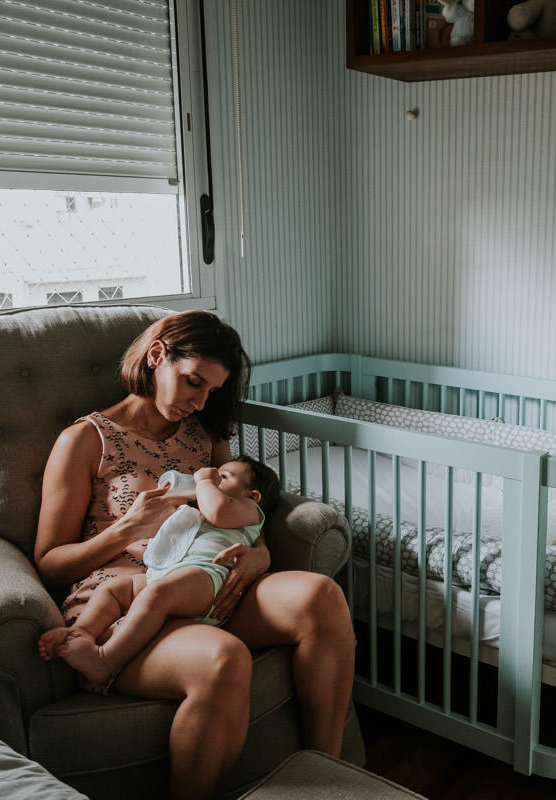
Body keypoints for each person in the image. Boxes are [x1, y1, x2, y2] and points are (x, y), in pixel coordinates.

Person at [33, 310, 355, 800]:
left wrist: (260, 556)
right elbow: (49, 560)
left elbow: (242, 510)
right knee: (223, 659)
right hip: (123, 601)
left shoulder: (205, 436)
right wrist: (124, 530)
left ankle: (328, 779)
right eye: (193, 382)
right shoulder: (84, 441)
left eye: (212, 391)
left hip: (210, 583)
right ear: (158, 356)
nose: (200, 401)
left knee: (321, 596)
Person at [37, 458, 280, 693]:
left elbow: (218, 511)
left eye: (223, 477)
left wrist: (205, 481)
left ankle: (104, 660)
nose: (214, 477)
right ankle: (81, 632)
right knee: (115, 589)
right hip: (170, 573)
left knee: (157, 594)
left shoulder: (248, 510)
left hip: (207, 578)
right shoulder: (203, 508)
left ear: (253, 495)